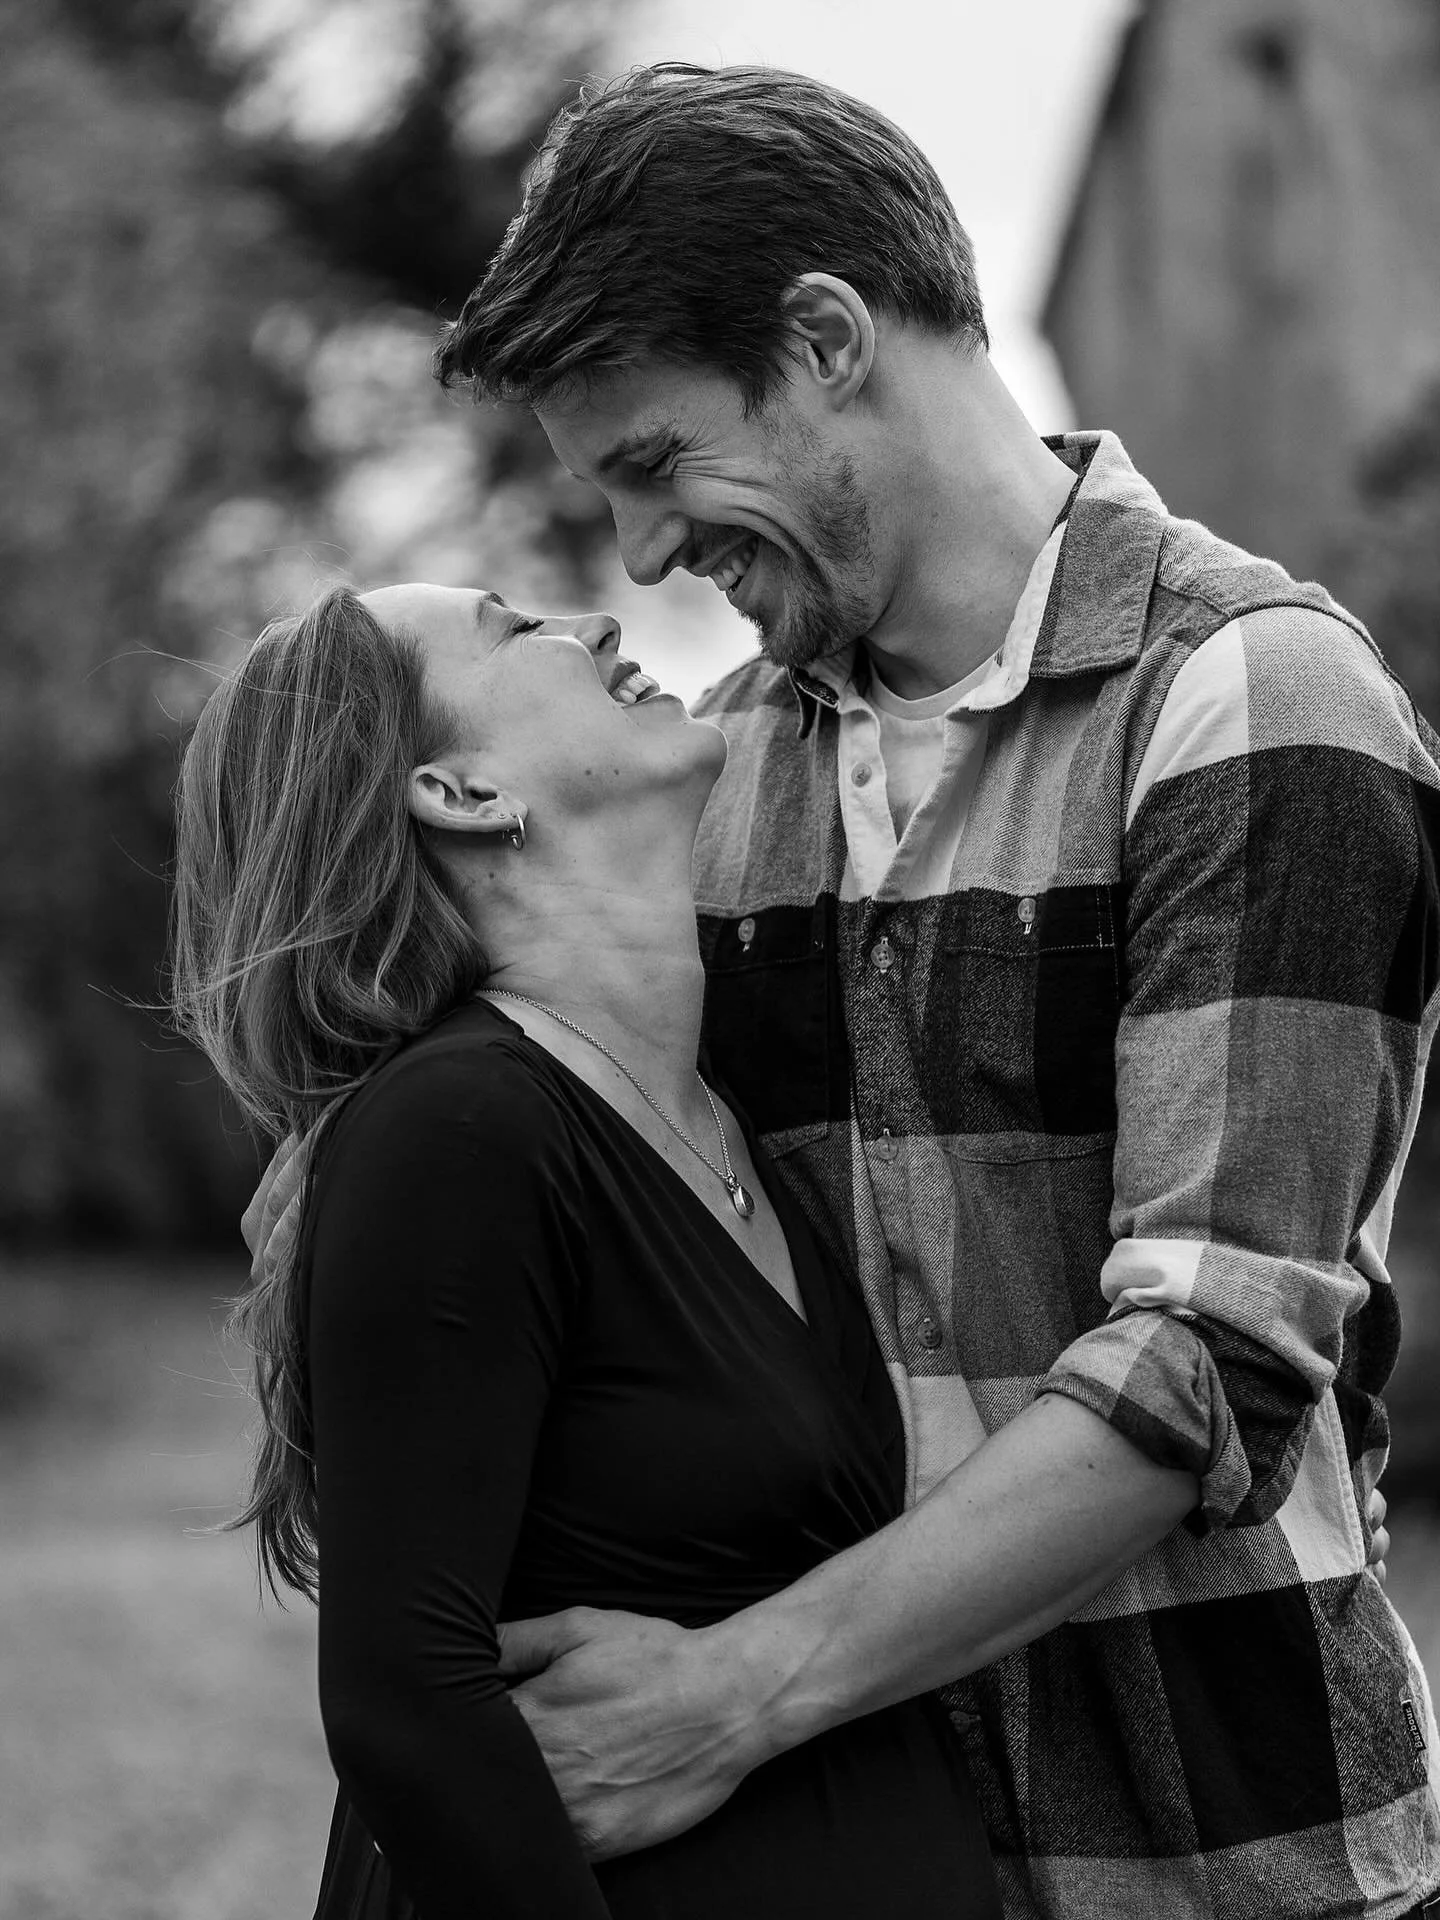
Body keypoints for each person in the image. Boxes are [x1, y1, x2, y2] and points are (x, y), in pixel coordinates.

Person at [417, 62, 1440, 1920]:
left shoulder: (1248, 704)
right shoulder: (715, 777)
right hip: (863, 1864)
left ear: (824, 340)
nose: (642, 557)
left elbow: (1209, 1361)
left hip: (1219, 1856)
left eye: (655, 465)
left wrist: (724, 1701)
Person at [170, 581, 1005, 1919]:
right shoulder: (466, 1128)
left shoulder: (735, 1123)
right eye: (517, 630)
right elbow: (405, 1705)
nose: (600, 627)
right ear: (459, 790)